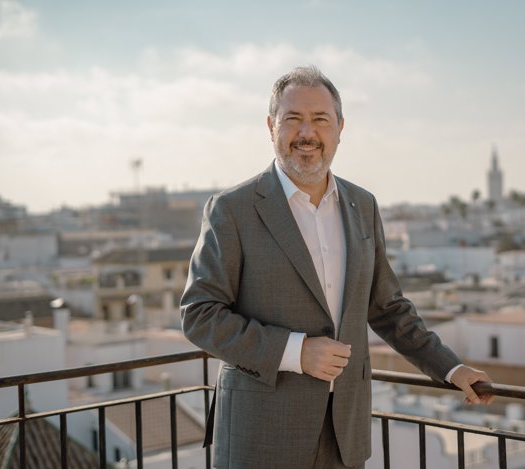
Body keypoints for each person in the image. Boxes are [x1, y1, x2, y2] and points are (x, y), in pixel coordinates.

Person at [181, 65, 493, 469]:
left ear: (340, 127)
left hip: (344, 433)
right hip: (260, 436)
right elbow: (199, 317)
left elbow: (387, 308)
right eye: (293, 119)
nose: (307, 133)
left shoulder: (362, 206)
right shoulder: (232, 210)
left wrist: (450, 367)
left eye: (320, 119)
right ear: (271, 126)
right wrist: (296, 352)